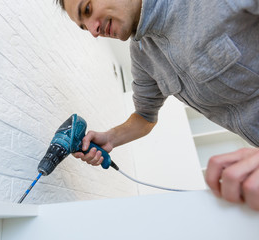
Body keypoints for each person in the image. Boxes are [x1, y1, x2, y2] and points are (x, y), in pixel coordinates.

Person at [55, 0, 259, 210]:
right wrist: (110, 138)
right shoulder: (142, 56)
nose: (93, 31)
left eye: (87, 10)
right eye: (83, 26)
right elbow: (144, 117)